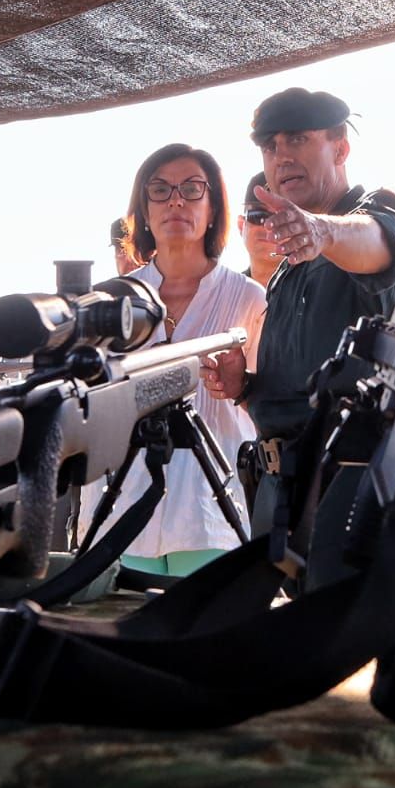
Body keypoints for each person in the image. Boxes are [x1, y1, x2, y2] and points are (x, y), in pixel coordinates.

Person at [201, 88, 395, 536]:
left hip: (358, 497)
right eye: (270, 147)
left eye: (298, 140)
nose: (281, 158)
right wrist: (244, 389)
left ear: (340, 148)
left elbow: (379, 242)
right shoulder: (288, 264)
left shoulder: (381, 211)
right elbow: (300, 393)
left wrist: (322, 231)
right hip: (288, 497)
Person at [78, 143, 266, 577]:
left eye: (192, 188)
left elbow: (266, 408)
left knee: (204, 640)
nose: (175, 200)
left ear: (214, 208)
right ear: (142, 210)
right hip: (118, 509)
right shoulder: (110, 301)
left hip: (211, 514)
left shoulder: (249, 299)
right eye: (159, 190)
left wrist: (240, 387)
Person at [235, 171, 279, 286]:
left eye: (281, 219)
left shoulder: (321, 289)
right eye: (258, 216)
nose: (269, 226)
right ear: (241, 225)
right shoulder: (225, 296)